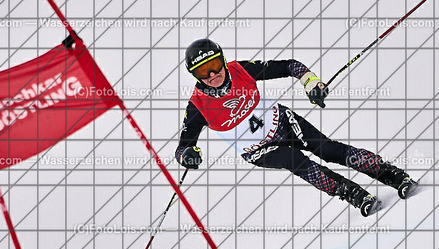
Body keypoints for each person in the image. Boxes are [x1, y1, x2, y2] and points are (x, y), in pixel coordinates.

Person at [175, 38, 417, 217]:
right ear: (195, 75)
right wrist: (187, 155)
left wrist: (311, 83)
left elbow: (290, 66)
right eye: (203, 71)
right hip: (258, 150)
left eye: (215, 64)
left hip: (282, 122)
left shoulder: (241, 70)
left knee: (328, 150)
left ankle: (392, 175)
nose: (212, 74)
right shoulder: (197, 106)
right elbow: (183, 147)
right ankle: (352, 193)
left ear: (223, 59)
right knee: (295, 161)